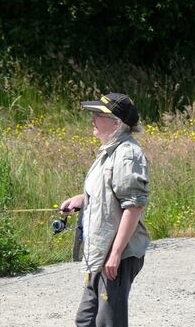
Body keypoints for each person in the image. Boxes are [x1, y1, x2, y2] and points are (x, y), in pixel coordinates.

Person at [60, 93, 150, 327]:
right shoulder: (109, 150)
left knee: (108, 322)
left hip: (118, 255)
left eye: (98, 115)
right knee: (86, 320)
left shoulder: (128, 154)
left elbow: (134, 206)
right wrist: (82, 199)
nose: (92, 119)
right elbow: (109, 193)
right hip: (101, 251)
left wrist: (116, 254)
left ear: (116, 123)